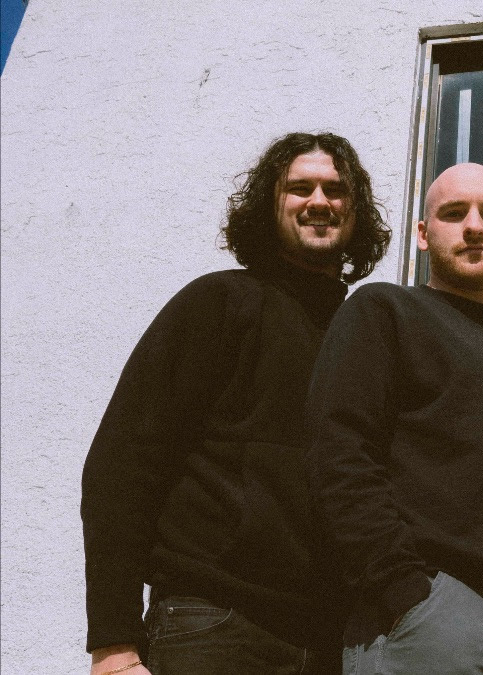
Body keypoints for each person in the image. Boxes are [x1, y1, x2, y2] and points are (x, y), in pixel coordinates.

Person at [81, 132, 391, 675]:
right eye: (300, 188)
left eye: (335, 189)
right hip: (214, 625)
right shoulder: (218, 302)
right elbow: (122, 464)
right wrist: (114, 644)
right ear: (269, 204)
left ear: (355, 210)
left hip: (335, 643)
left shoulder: (365, 334)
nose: (319, 201)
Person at [306, 162, 483, 674]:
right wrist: (403, 592)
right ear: (423, 234)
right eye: (454, 213)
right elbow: (339, 454)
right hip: (436, 626)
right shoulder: (385, 310)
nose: (474, 226)